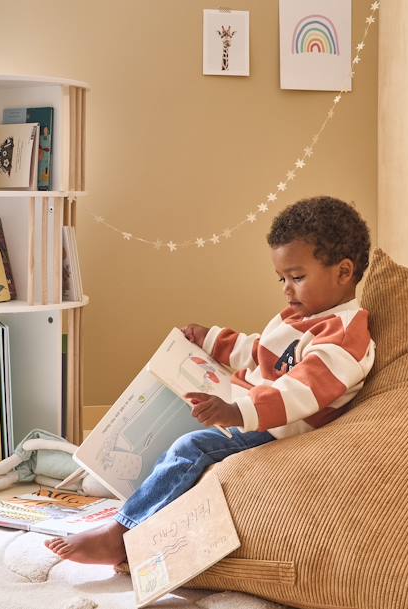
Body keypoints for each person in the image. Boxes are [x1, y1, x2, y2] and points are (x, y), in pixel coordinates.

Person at [45, 195, 375, 564]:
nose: (286, 288)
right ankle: (118, 482)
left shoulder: (343, 336)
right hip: (246, 410)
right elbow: (258, 351)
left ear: (344, 272)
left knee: (192, 447)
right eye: (282, 278)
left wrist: (237, 412)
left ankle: (120, 536)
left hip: (278, 431)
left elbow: (301, 393)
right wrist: (211, 339)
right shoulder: (299, 316)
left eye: (297, 278)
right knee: (167, 412)